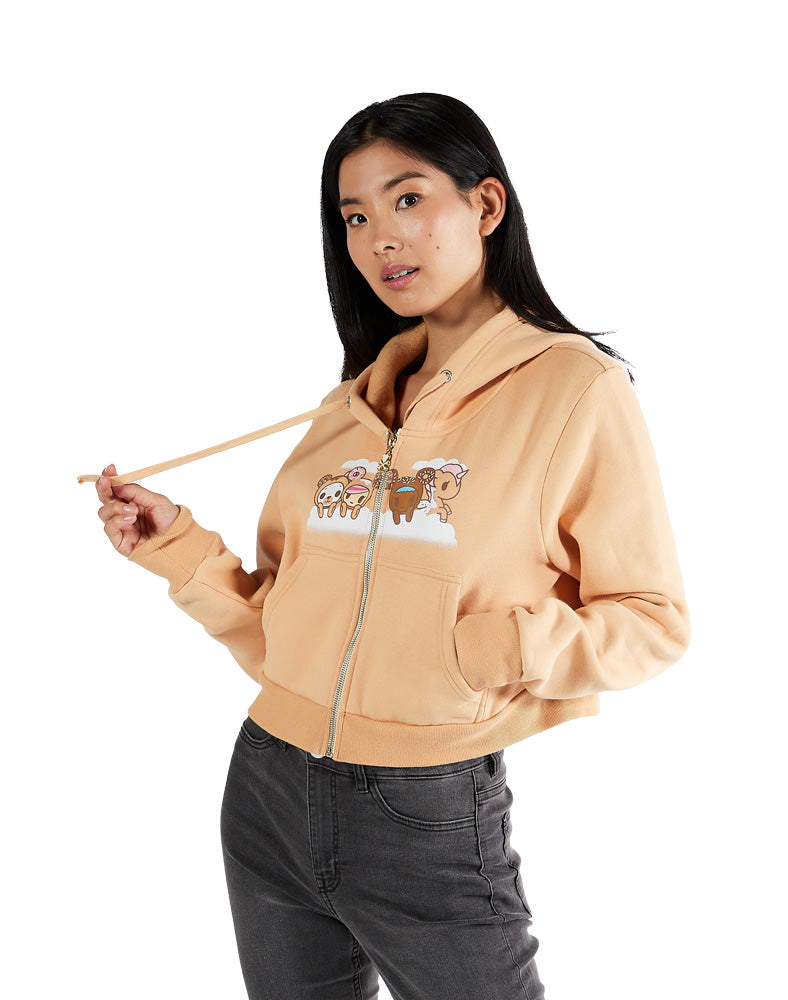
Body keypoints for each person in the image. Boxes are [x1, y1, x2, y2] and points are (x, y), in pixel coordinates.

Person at [92, 93, 690, 1000]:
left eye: (408, 199)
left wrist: (484, 651)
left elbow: (652, 619)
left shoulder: (574, 388)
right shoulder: (349, 407)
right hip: (267, 786)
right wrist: (175, 547)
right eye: (355, 217)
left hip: (426, 809)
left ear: (485, 204)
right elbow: (284, 624)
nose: (380, 238)